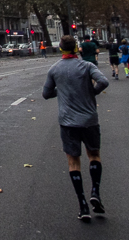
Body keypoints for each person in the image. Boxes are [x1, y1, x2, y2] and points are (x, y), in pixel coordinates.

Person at [42, 35, 109, 222]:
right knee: (94, 155)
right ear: (76, 48)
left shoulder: (55, 69)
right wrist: (91, 92)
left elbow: (46, 94)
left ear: (60, 49)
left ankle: (82, 204)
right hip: (89, 119)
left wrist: (61, 91)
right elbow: (103, 81)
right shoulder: (87, 67)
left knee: (73, 162)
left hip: (68, 122)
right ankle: (95, 190)